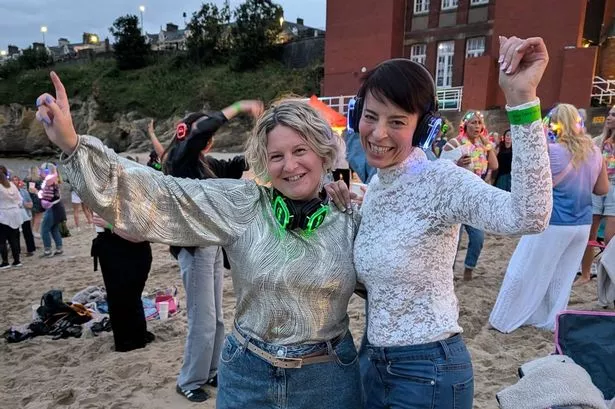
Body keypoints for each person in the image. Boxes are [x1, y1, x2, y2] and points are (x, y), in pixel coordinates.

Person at [35, 74, 362, 409]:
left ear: (323, 153)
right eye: (276, 156)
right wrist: (74, 145)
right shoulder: (243, 204)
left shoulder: (351, 216)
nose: (289, 165)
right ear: (264, 163)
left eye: (300, 150)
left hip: (329, 381)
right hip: (249, 379)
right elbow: (163, 195)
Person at [325, 36, 552, 409]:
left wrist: (522, 101)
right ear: (355, 116)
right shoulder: (379, 185)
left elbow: (529, 215)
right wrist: (351, 209)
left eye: (396, 121)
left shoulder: (442, 180)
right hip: (373, 363)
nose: (378, 133)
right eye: (370, 116)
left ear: (422, 128)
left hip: (426, 371)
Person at [154, 101, 262, 402]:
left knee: (215, 318)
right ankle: (189, 379)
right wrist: (240, 107)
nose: (207, 140)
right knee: (201, 319)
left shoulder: (203, 163)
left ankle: (211, 370)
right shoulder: (181, 161)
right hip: (195, 249)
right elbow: (202, 131)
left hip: (212, 247)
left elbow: (232, 166)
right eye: (203, 136)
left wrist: (262, 151)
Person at [489, 104, 608, 332]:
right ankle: (549, 320)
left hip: (553, 222)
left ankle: (505, 319)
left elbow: (530, 185)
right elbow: (602, 189)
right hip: (581, 224)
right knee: (561, 277)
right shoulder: (594, 151)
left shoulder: (551, 151)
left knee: (524, 269)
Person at [90, 155, 155, 352]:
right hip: (113, 251)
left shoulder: (137, 200)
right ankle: (132, 337)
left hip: (130, 252)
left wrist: (108, 224)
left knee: (126, 297)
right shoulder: (109, 198)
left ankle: (132, 340)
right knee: (121, 298)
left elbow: (138, 234)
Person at [442, 110, 498, 280]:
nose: (477, 126)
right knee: (454, 240)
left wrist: (487, 145)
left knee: (478, 237)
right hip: (456, 199)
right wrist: (457, 163)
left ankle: (468, 269)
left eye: (479, 123)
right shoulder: (455, 143)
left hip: (475, 200)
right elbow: (442, 169)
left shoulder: (482, 145)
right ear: (465, 125)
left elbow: (494, 165)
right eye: (473, 122)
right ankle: (448, 273)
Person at [579, 105, 615, 285]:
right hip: (596, 186)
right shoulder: (598, 141)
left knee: (610, 239)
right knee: (589, 234)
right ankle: (585, 274)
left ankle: (607, 278)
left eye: (614, 115)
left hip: (614, 189)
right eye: (609, 114)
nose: (609, 117)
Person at [38, 163, 66, 257]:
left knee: (44, 230)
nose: (40, 173)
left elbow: (47, 198)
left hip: (52, 209)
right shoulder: (55, 182)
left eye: (41, 171)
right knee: (54, 229)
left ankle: (47, 250)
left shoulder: (49, 183)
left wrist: (37, 193)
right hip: (58, 208)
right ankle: (59, 248)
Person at [0, 165, 23, 269]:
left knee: (2, 240)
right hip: (15, 213)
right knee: (13, 239)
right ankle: (17, 260)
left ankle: (5, 262)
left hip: (3, 214)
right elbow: (20, 199)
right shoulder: (12, 185)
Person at [12, 175, 36, 256]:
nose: (15, 182)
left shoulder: (24, 191)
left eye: (16, 180)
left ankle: (31, 249)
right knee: (15, 234)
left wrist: (25, 204)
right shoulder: (9, 192)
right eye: (13, 180)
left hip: (24, 213)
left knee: (27, 232)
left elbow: (31, 203)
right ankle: (16, 251)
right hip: (14, 214)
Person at [24, 166, 44, 237]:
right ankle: (35, 231)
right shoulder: (39, 180)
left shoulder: (26, 179)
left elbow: (27, 189)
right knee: (38, 217)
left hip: (29, 199)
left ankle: (32, 231)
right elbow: (41, 190)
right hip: (38, 199)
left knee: (33, 216)